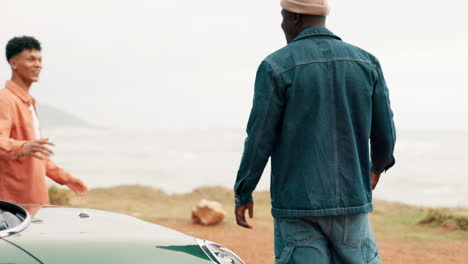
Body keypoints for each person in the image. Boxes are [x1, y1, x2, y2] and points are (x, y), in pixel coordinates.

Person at [233, 1, 396, 263]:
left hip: (297, 206)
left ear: (295, 18)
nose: (282, 24)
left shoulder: (275, 66)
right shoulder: (366, 62)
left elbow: (259, 140)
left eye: (283, 16)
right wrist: (376, 167)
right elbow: (385, 132)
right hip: (351, 200)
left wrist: (243, 191)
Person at [0, 36, 88, 204]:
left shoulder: (29, 103)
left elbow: (35, 154)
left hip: (35, 201)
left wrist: (66, 179)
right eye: (31, 59)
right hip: (12, 206)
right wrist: (23, 146)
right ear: (13, 63)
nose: (38, 65)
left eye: (40, 60)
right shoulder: (4, 99)